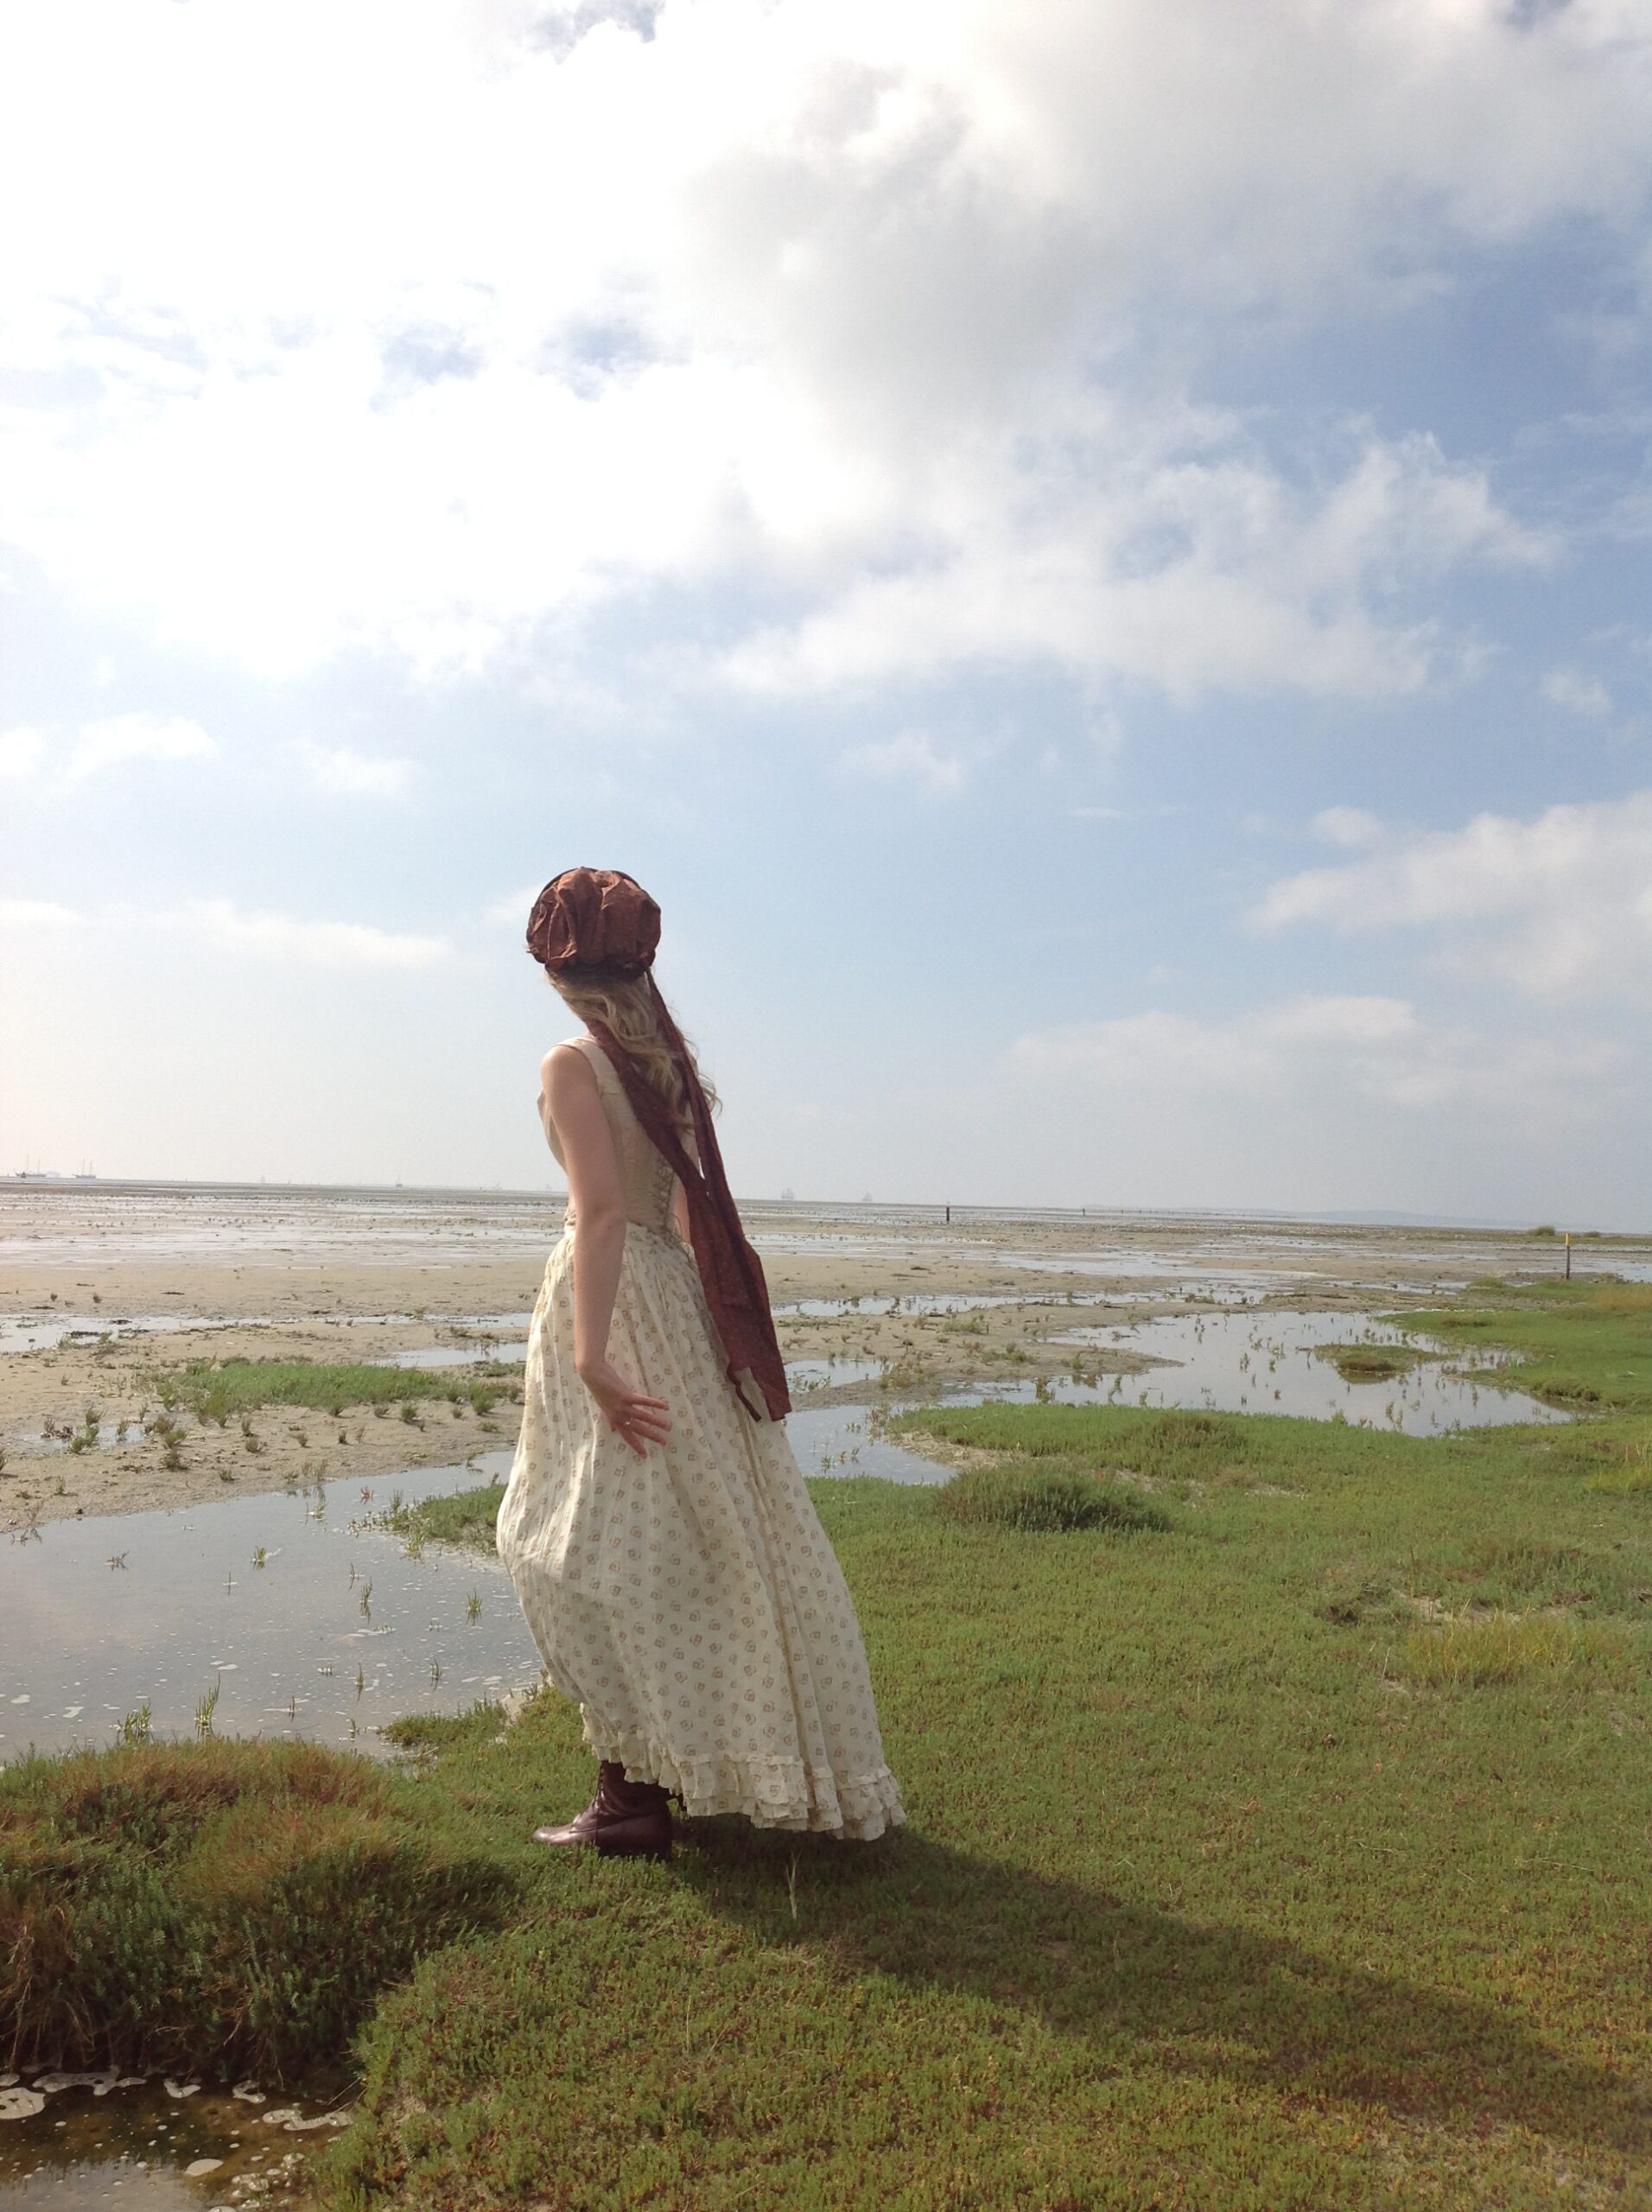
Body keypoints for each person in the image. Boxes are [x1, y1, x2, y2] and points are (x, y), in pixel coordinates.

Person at [496, 867, 907, 1861]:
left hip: (615, 1298)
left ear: (558, 966)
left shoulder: (574, 1062)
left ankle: (636, 1792)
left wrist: (593, 1353)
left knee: (574, 1537)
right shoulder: (660, 1061)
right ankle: (639, 1785)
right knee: (685, 1533)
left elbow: (600, 1213)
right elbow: (678, 1210)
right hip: (670, 1294)